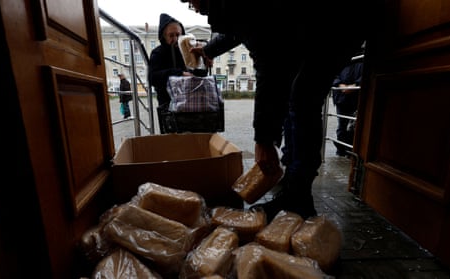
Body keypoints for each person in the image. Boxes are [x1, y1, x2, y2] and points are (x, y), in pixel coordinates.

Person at [184, 0, 376, 221]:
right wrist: (209, 49)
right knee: (294, 98)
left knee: (303, 97)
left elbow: (269, 66)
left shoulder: (238, 5)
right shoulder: (235, 8)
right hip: (309, 22)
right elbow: (245, 27)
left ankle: (298, 196)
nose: (193, 7)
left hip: (341, 18)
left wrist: (264, 140)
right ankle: (293, 180)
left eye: (190, 1)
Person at [147, 13, 194, 133]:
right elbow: (153, 77)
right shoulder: (158, 53)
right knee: (171, 140)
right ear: (164, 36)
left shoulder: (187, 50)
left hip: (189, 104)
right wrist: (179, 74)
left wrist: (203, 59)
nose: (175, 39)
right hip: (168, 105)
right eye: (171, 35)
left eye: (178, 35)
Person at [332, 56, 363, 157]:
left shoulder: (362, 59)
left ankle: (350, 151)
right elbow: (334, 75)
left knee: (355, 127)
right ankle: (341, 151)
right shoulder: (342, 59)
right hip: (341, 98)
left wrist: (355, 85)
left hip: (357, 98)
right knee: (342, 126)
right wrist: (340, 85)